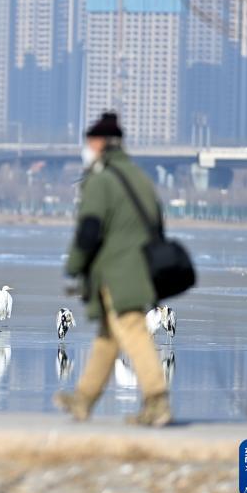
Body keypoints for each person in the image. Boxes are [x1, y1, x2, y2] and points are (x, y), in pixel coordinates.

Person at [54, 112, 171, 427]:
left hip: (117, 273)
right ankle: (83, 399)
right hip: (139, 268)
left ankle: (157, 400)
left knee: (132, 330)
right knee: (108, 336)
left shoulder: (102, 180)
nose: (87, 148)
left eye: (90, 142)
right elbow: (156, 222)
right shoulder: (137, 177)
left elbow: (89, 230)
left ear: (101, 144)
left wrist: (74, 265)